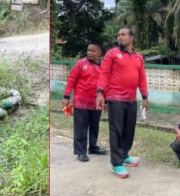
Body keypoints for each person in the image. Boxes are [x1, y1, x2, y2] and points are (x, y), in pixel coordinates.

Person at [96, 28, 148, 179]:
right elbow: (104, 74)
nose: (120, 37)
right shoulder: (112, 53)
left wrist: (145, 96)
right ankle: (116, 163)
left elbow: (142, 78)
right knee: (116, 131)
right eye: (118, 35)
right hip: (115, 97)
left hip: (131, 99)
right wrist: (100, 93)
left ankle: (124, 155)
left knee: (129, 130)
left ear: (131, 38)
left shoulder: (138, 57)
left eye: (123, 34)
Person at [62, 42, 107, 162]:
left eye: (93, 51)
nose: (90, 53)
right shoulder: (80, 64)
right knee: (81, 127)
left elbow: (104, 85)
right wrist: (66, 96)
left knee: (94, 126)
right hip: (81, 101)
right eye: (88, 50)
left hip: (96, 103)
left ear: (99, 53)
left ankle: (93, 147)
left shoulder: (103, 67)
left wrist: (105, 101)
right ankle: (81, 152)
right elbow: (71, 80)